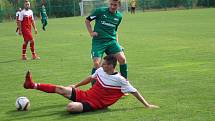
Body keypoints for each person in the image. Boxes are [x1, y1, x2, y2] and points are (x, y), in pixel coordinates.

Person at [23, 55, 159, 113]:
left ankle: (79, 105)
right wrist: (75, 86)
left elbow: (134, 91)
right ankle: (32, 85)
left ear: (111, 66)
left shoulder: (120, 80)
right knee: (61, 89)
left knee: (70, 107)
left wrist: (147, 105)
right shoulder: (100, 70)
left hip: (94, 104)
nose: (101, 65)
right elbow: (90, 78)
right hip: (86, 95)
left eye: (104, 64)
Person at [85, 0, 128, 85]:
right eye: (111, 4)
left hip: (111, 41)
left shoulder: (119, 16)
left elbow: (115, 30)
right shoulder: (100, 11)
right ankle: (94, 87)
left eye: (115, 5)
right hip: (99, 42)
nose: (112, 6)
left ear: (118, 5)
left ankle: (124, 85)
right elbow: (87, 20)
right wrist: (91, 32)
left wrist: (117, 43)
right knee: (97, 63)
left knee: (122, 59)